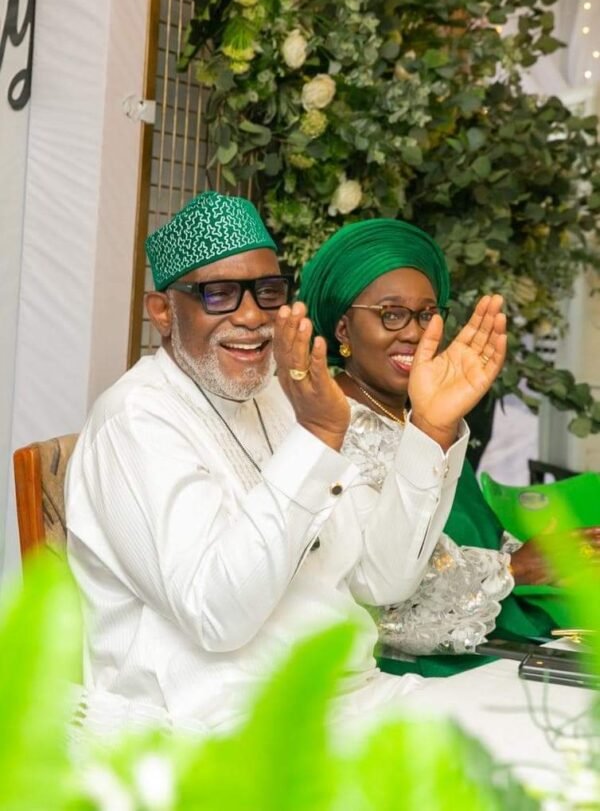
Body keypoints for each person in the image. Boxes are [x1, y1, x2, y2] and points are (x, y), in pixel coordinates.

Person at [65, 192, 505, 730]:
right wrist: (317, 437)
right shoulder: (135, 420)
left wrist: (430, 430)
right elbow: (216, 616)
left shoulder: (278, 396)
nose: (252, 316)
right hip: (223, 728)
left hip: (351, 698)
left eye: (267, 292)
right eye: (218, 294)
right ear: (162, 311)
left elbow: (380, 578)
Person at [299, 217, 600, 678]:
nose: (414, 333)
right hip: (413, 674)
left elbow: (466, 538)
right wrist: (514, 569)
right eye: (391, 314)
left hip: (497, 640)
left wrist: (546, 555)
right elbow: (379, 601)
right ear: (343, 328)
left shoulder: (420, 414)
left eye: (426, 315)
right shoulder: (330, 428)